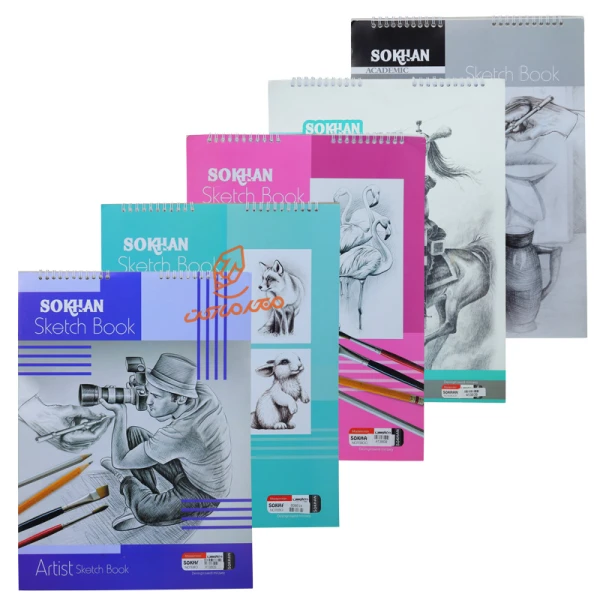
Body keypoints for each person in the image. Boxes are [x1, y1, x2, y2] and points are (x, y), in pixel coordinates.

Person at [100, 353, 232, 531]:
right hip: (189, 468)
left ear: (181, 398)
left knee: (147, 511)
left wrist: (120, 412)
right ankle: (146, 491)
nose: (148, 401)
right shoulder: (201, 393)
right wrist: (143, 381)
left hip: (204, 494)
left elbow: (120, 460)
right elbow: (171, 382)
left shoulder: (183, 432)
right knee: (134, 434)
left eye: (156, 396)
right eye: (149, 392)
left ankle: (126, 479)